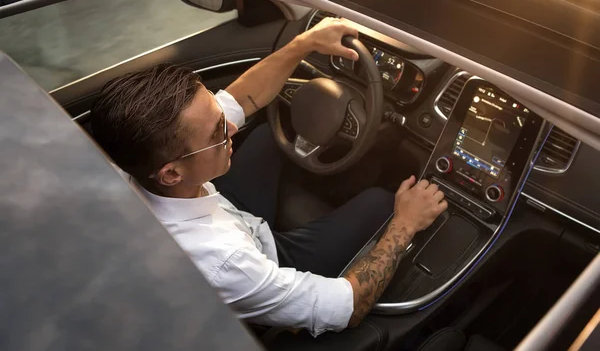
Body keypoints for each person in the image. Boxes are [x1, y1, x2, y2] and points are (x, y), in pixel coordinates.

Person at [91, 18, 447, 337]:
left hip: (227, 211)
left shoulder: (125, 165)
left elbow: (240, 99)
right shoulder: (225, 262)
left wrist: (304, 44)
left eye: (218, 114)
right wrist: (405, 223)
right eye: (217, 133)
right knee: (379, 202)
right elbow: (348, 308)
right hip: (266, 254)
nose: (230, 126)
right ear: (171, 172)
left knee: (265, 135)